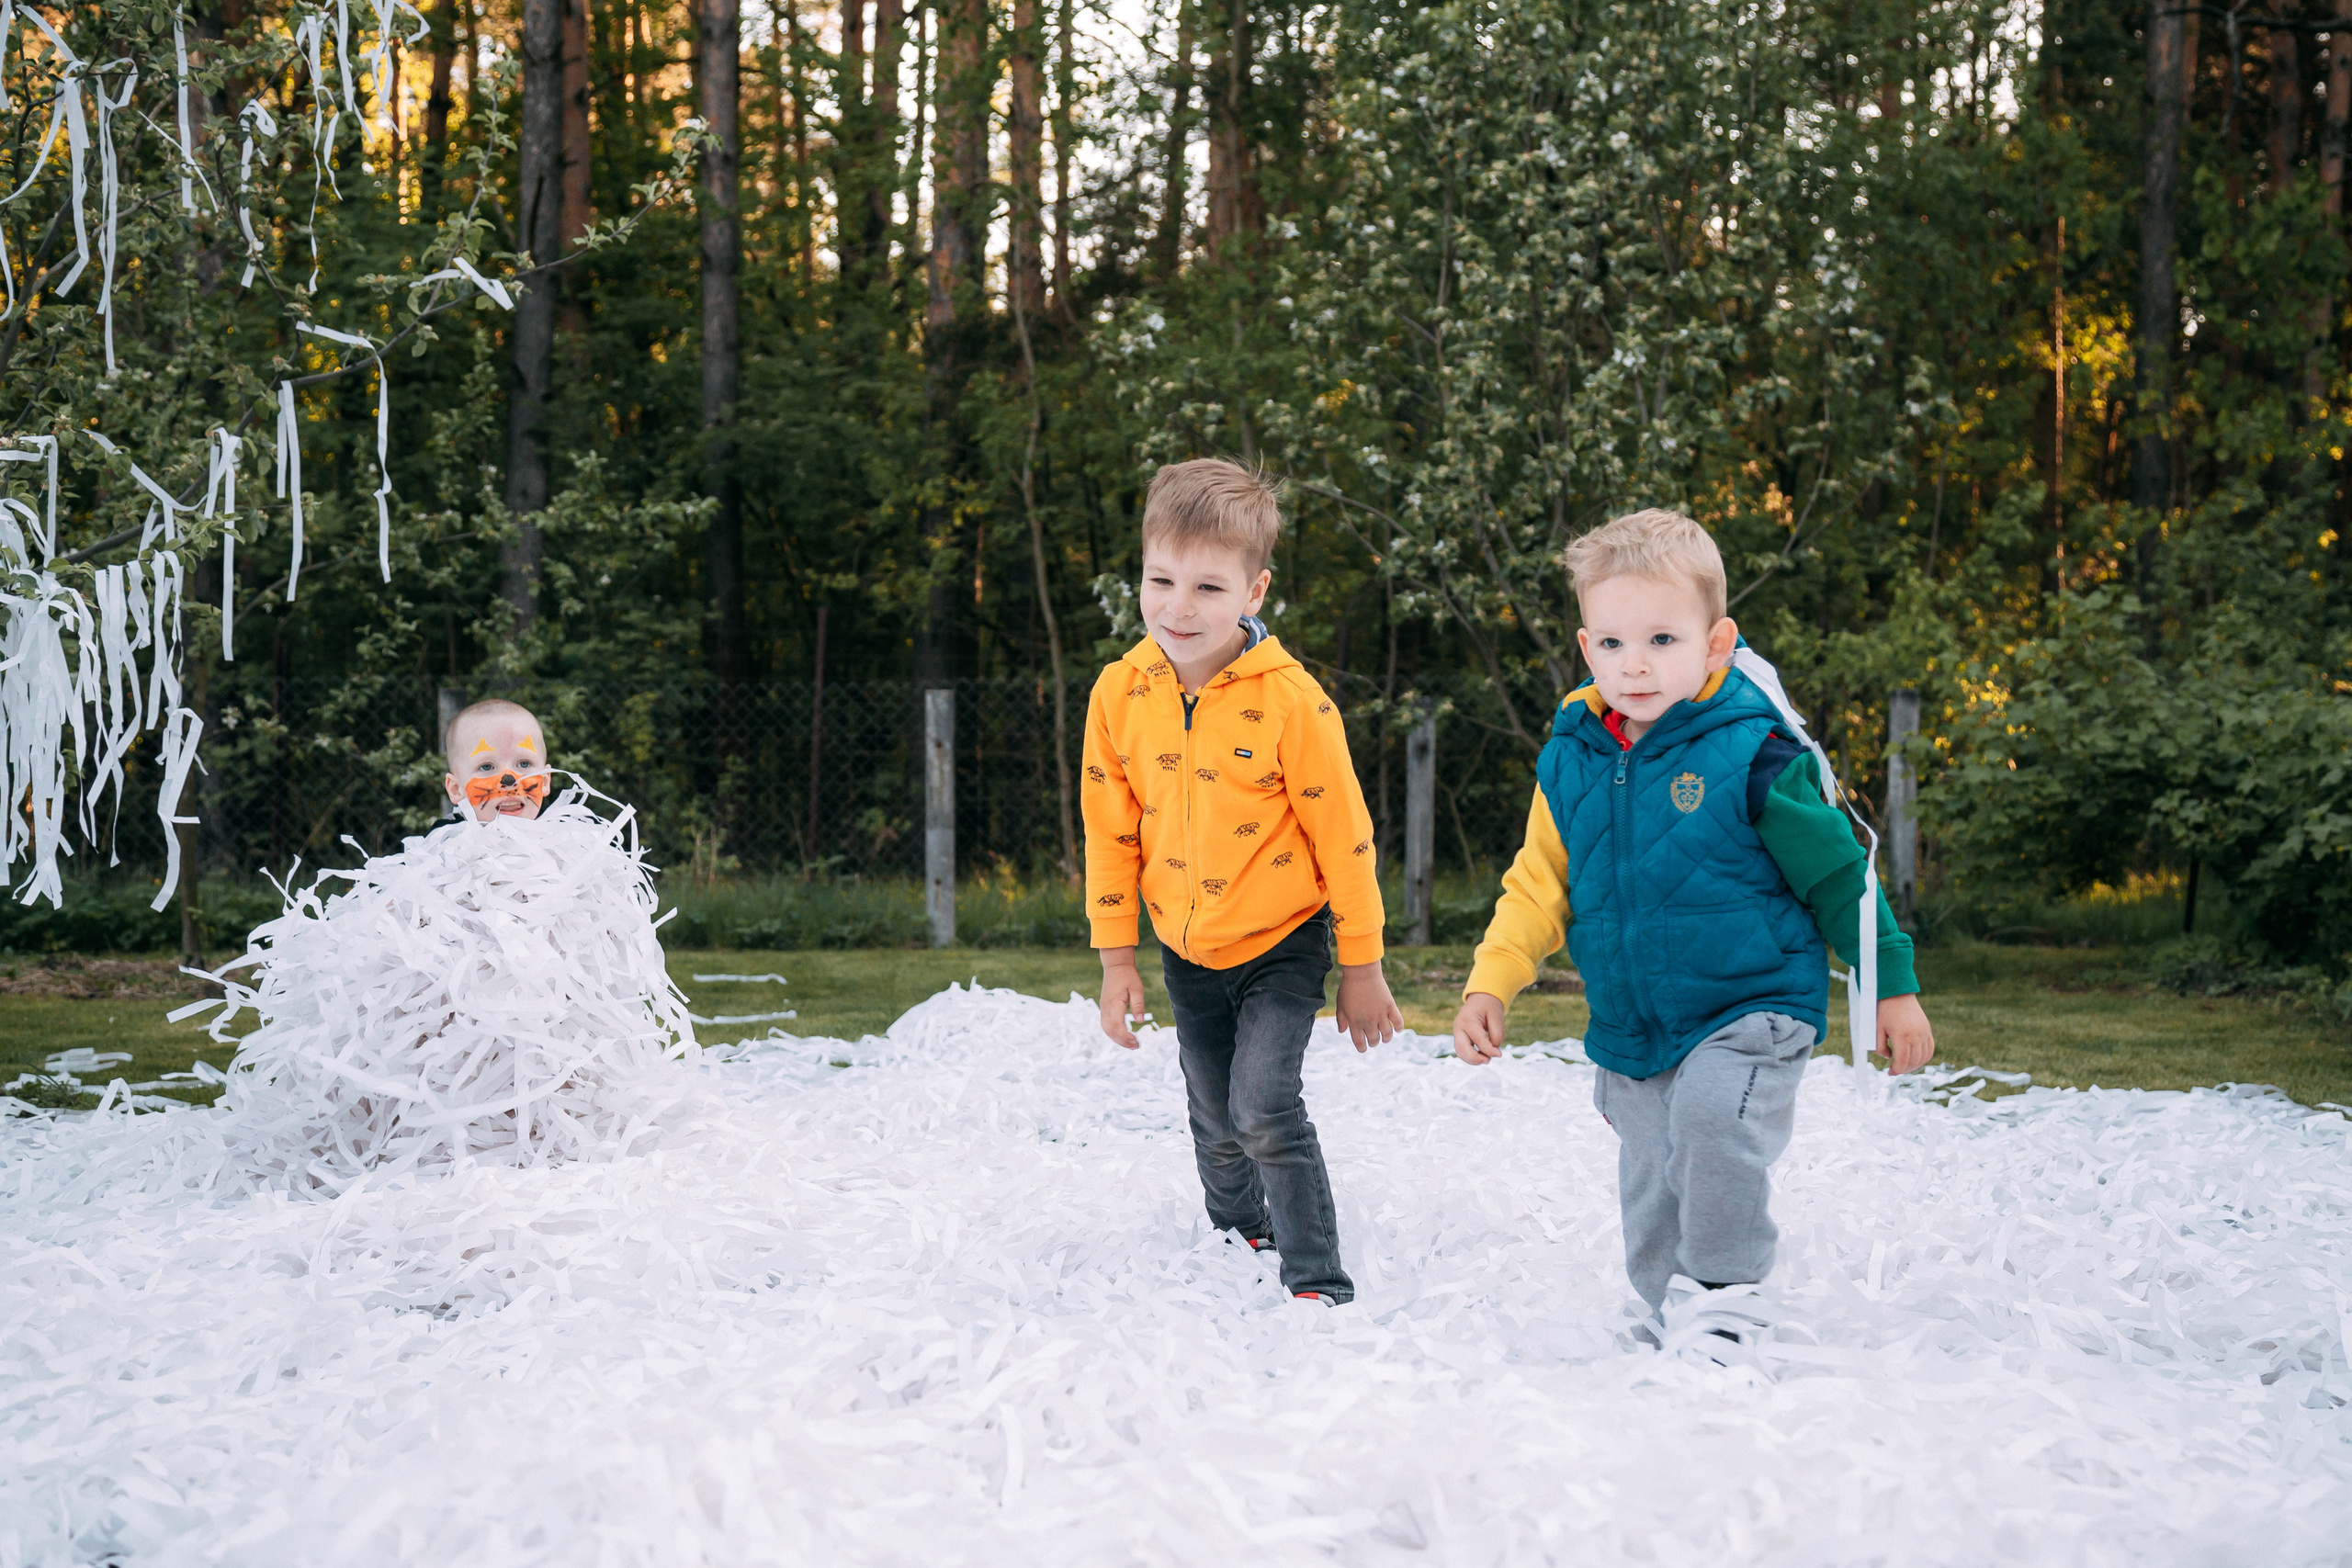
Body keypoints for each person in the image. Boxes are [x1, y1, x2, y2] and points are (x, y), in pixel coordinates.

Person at [1449, 508, 1935, 1343]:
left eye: (1663, 640)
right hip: (1636, 1023)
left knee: (1712, 1123)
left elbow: (1836, 877)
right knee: (1652, 1175)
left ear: (1715, 642)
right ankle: (1665, 1307)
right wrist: (1490, 981)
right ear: (1584, 644)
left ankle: (1726, 1304)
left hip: (1754, 1005)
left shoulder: (1755, 750)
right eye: (1610, 644)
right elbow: (1537, 882)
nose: (1633, 665)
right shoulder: (1573, 755)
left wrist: (1890, 987)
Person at [1084, 457, 1403, 1307]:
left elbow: (1347, 837)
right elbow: (1110, 832)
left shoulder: (1294, 704)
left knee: (1263, 1107)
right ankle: (1239, 1231)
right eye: (1161, 579)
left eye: (1208, 587)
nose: (1178, 607)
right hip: (1186, 948)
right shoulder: (1120, 693)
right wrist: (1119, 959)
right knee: (1217, 1120)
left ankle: (1316, 1278)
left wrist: (1363, 966)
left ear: (1254, 591)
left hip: (1282, 943)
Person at [440, 698, 552, 825]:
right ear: (455, 789)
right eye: (487, 767)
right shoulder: (441, 842)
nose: (510, 781)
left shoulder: (568, 838)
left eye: (524, 764)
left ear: (545, 781)